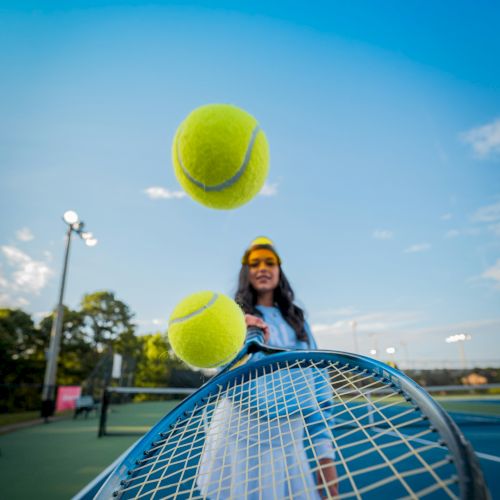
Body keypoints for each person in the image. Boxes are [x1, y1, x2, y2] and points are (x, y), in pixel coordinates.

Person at [197, 237, 338, 499]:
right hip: (237, 436)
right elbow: (213, 369)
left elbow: (319, 389)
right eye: (255, 263)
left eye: (270, 262)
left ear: (279, 271)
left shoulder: (298, 322)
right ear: (246, 271)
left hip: (287, 439)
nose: (263, 267)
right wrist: (237, 330)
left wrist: (325, 456)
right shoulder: (231, 317)